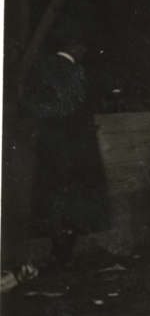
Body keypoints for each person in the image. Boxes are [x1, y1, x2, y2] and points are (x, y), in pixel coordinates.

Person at [21, 35, 107, 265]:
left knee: (54, 198)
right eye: (82, 46)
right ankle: (63, 252)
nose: (84, 51)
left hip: (52, 146)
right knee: (74, 199)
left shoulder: (44, 67)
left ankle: (58, 251)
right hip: (74, 147)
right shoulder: (74, 71)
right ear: (71, 45)